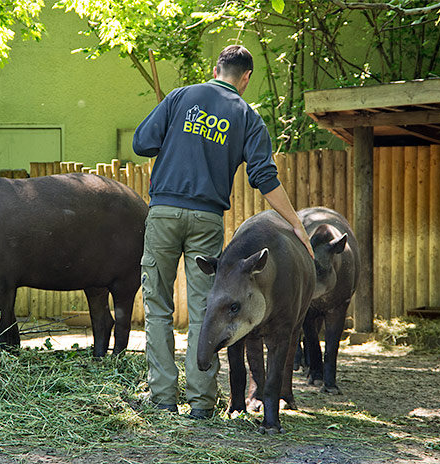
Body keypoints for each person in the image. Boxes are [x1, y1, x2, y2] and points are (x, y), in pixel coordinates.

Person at [132, 44, 314, 419]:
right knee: (207, 308)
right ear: (245, 78)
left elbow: (141, 143)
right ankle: (201, 403)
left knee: (158, 307)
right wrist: (296, 223)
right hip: (207, 217)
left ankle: (164, 398)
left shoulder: (181, 97)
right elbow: (263, 176)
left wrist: (175, 135)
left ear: (216, 69)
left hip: (164, 211)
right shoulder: (246, 115)